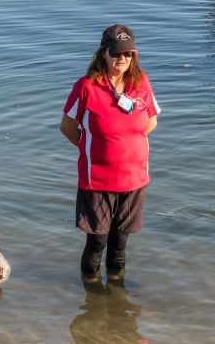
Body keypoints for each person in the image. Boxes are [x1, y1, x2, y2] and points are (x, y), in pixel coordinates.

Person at [60, 24, 160, 283]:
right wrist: (94, 149)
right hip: (98, 180)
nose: (122, 59)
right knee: (97, 242)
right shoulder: (86, 87)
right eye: (116, 53)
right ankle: (92, 298)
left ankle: (116, 300)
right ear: (103, 53)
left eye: (128, 54)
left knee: (120, 245)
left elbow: (151, 122)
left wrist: (127, 145)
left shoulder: (141, 83)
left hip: (134, 179)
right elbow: (68, 127)